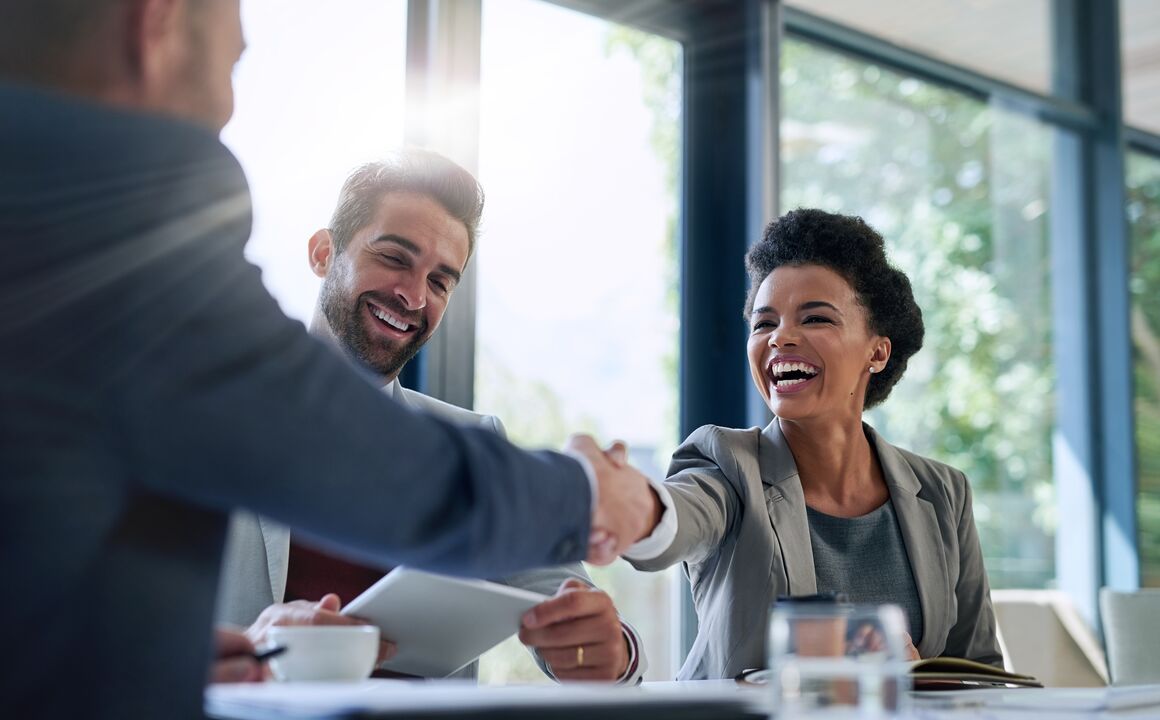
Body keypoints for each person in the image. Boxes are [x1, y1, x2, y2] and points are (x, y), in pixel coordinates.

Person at [0, 1, 659, 717]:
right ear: (155, 23)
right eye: (233, 64)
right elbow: (330, 446)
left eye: (442, 279)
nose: (226, 106)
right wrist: (587, 491)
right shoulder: (121, 220)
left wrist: (181, 658)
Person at [216, 155, 647, 683]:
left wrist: (610, 651)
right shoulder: (215, 409)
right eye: (395, 257)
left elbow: (569, 602)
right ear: (324, 253)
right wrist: (254, 645)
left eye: (441, 282)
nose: (414, 296)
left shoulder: (475, 442)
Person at [625, 209, 1002, 679]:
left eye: (816, 318)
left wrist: (915, 676)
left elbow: (980, 671)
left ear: (877, 351)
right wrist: (626, 505)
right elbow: (674, 519)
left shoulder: (944, 491)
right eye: (764, 324)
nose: (780, 337)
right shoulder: (725, 465)